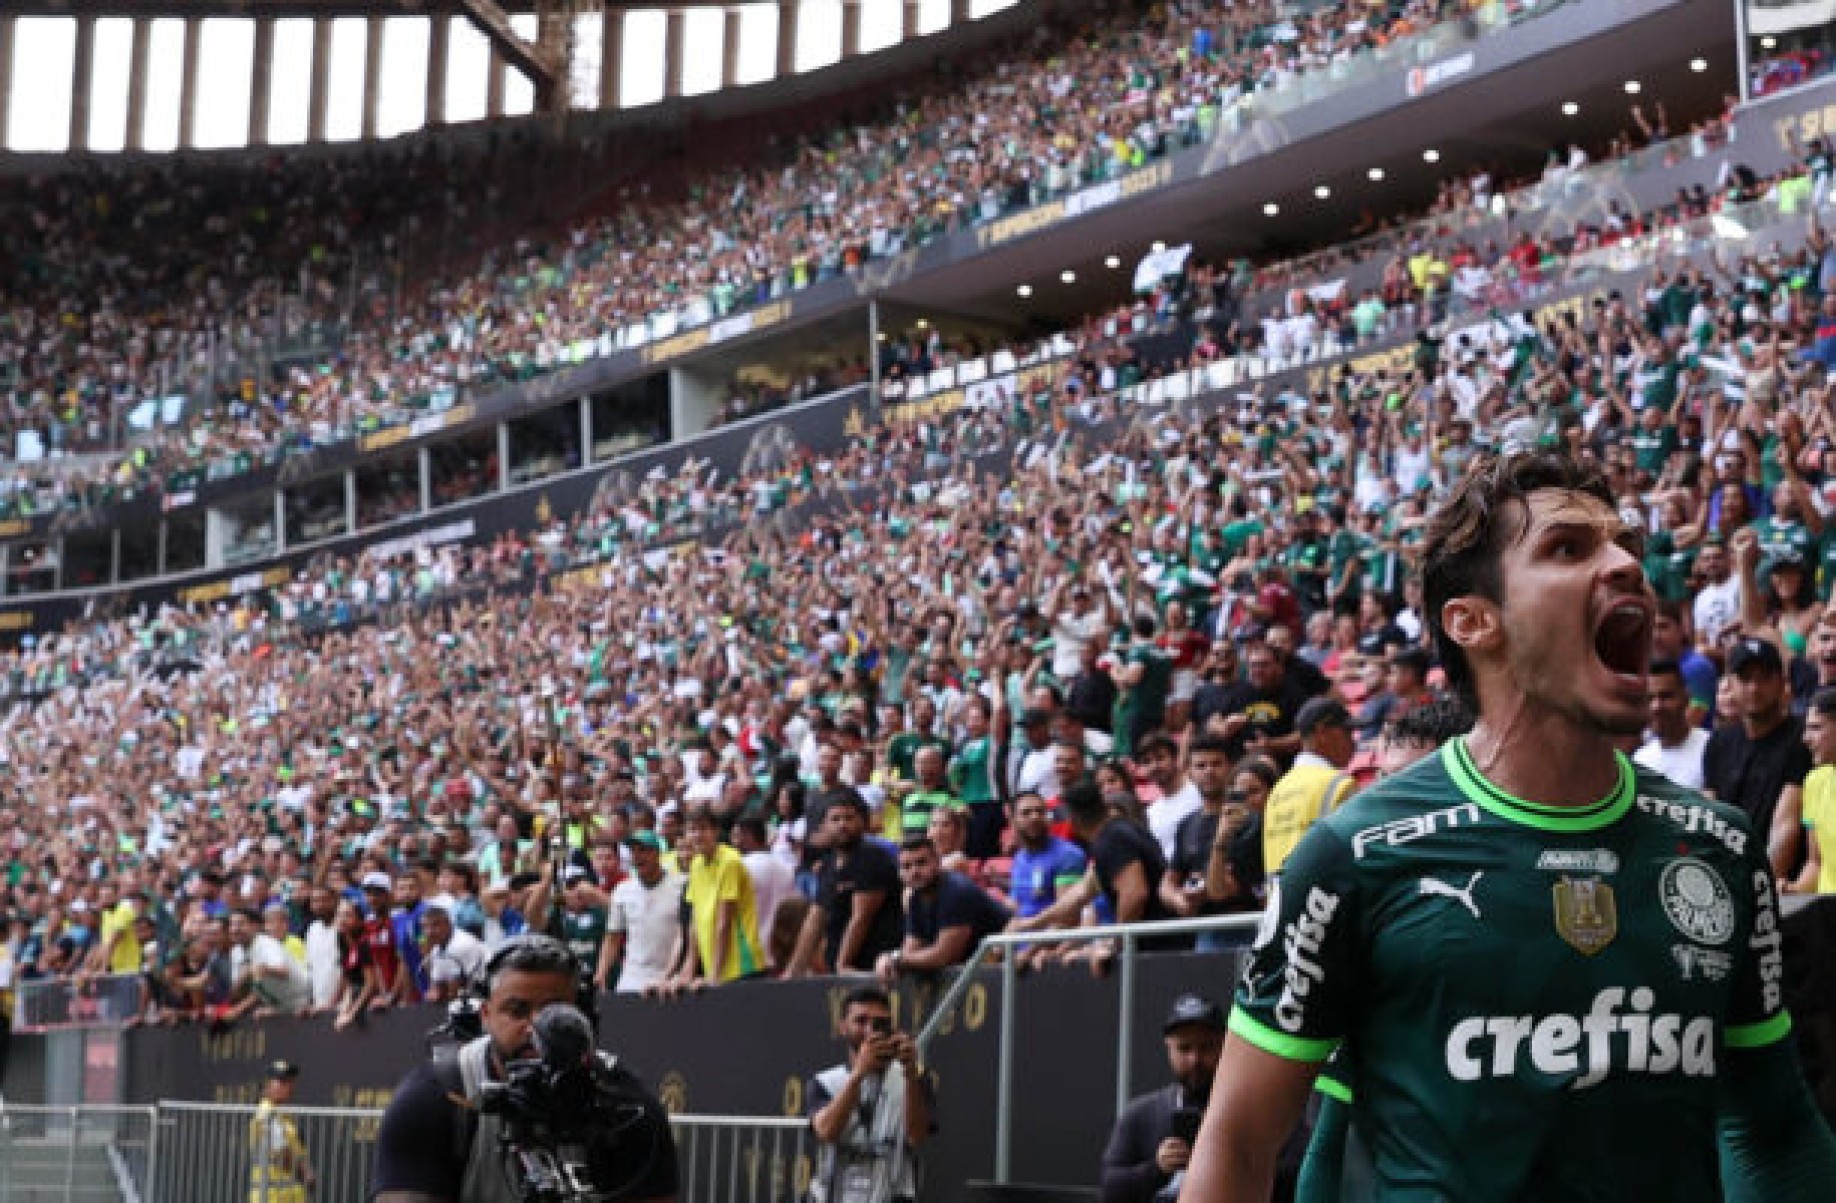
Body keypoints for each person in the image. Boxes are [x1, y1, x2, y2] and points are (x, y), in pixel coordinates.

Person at [1185, 452, 1836, 1201]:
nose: (1627, 562)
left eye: (1624, 541)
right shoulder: (1351, 857)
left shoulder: (1718, 849)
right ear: (1472, 620)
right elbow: (1238, 1145)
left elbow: (1774, 1130)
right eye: (1568, 547)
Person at [370, 934, 679, 1202]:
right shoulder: (435, 1096)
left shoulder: (627, 1104)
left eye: (554, 1011)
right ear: (485, 1015)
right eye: (516, 1010)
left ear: (584, 1016)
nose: (534, 1026)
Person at [807, 985, 935, 1203]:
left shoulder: (913, 1078)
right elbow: (826, 1131)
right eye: (861, 1021)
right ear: (843, 1027)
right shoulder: (825, 1081)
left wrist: (911, 1073)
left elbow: (916, 1135)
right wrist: (858, 1074)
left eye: (879, 1023)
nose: (870, 1030)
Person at [1100, 994, 1227, 1203]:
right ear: (1168, 1047)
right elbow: (1109, 1187)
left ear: (1224, 1046)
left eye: (1206, 1047)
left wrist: (1230, 1161)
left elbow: (1292, 1171)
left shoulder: (1245, 1111)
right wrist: (1156, 1169)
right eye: (1184, 1048)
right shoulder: (1141, 1113)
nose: (1195, 1060)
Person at [1703, 637, 1812, 878]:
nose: (1754, 687)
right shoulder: (1719, 741)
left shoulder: (1802, 738)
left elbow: (1786, 827)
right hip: (1728, 875)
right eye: (1745, 678)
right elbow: (1709, 817)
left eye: (1764, 677)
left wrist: (1762, 894)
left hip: (1781, 885)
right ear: (1729, 684)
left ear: (1782, 682)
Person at [792, 795, 903, 975]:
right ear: (823, 826)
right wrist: (793, 972)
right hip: (839, 969)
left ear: (862, 822)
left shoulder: (872, 858)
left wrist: (842, 964)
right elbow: (815, 919)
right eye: (835, 819)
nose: (843, 824)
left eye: (849, 818)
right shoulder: (828, 864)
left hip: (874, 968)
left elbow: (861, 918)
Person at [875, 838, 1010, 984]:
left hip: (1009, 965)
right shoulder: (916, 897)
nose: (914, 871)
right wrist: (888, 960)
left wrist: (895, 958)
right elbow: (912, 951)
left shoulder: (956, 891)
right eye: (906, 867)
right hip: (977, 973)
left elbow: (944, 956)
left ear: (938, 862)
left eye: (921, 862)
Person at [669, 806, 765, 990]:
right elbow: (694, 924)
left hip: (743, 968)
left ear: (715, 831)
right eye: (692, 830)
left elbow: (724, 923)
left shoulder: (730, 861)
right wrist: (687, 972)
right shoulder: (696, 864)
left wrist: (714, 975)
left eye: (703, 829)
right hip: (717, 969)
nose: (697, 835)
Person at [1259, 698, 1358, 875]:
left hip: (1280, 897)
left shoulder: (1279, 787)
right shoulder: (1339, 784)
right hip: (1323, 897)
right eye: (1347, 732)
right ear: (1322, 732)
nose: (1353, 742)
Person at [600, 831, 684, 995]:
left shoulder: (681, 885)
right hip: (632, 976)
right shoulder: (623, 889)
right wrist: (602, 971)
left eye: (644, 850)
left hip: (671, 977)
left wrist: (670, 975)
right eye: (634, 851)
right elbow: (612, 938)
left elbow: (685, 934)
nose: (638, 856)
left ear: (658, 853)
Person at [1778, 687, 1836, 894]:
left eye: (1816, 728)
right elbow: (1815, 863)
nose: (1805, 738)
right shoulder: (1813, 782)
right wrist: (1794, 890)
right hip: (1827, 916)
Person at [1634, 659, 1710, 790]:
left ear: (1687, 698)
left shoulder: (1711, 748)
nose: (1656, 706)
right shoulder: (1640, 760)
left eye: (1666, 696)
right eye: (1650, 698)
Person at [250, 1060, 316, 1203]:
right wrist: (305, 1172)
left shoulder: (283, 1114)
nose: (288, 1086)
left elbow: (296, 1149)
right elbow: (281, 1151)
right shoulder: (266, 1113)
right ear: (267, 1085)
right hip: (272, 1195)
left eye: (290, 1081)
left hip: (287, 1194)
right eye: (281, 1081)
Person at [420, 905, 488, 1005]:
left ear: (448, 924)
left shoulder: (460, 945)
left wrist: (436, 993)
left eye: (435, 925)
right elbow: (437, 987)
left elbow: (452, 994)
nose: (429, 932)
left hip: (485, 997)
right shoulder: (437, 947)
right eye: (425, 927)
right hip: (469, 997)